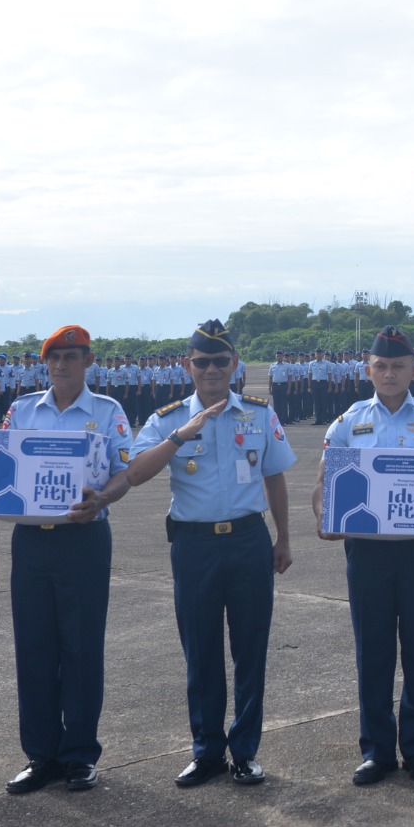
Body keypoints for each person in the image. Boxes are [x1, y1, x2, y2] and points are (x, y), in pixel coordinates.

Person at [0, 324, 133, 794]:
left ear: (88, 361)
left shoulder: (108, 411)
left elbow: (126, 472)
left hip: (84, 539)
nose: (62, 365)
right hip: (32, 543)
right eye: (54, 357)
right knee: (34, 646)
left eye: (71, 357)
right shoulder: (22, 410)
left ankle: (79, 755)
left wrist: (102, 499)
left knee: (81, 647)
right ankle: (40, 755)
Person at [128, 319, 296, 787]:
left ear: (235, 364)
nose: (211, 370)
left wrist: (283, 537)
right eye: (202, 362)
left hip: (248, 540)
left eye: (220, 361)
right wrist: (181, 436)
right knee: (200, 651)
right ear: (189, 366)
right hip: (195, 545)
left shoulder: (259, 414)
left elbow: (275, 477)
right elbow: (135, 474)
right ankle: (206, 751)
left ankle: (245, 751)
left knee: (250, 650)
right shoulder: (168, 419)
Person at [312, 326, 414, 785]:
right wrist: (325, 517)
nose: (389, 374)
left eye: (398, 366)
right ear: (368, 370)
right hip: (368, 554)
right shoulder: (348, 422)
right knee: (373, 651)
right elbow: (323, 484)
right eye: (380, 366)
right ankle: (377, 751)